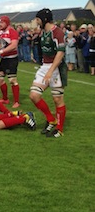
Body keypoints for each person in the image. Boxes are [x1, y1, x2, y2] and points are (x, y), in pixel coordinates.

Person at [29, 8, 67, 138]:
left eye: (38, 19)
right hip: (45, 66)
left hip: (56, 67)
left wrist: (51, 71)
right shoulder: (43, 32)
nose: (36, 21)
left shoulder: (57, 32)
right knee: (34, 95)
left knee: (57, 99)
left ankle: (59, 129)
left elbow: (60, 53)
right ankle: (51, 119)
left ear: (44, 19)